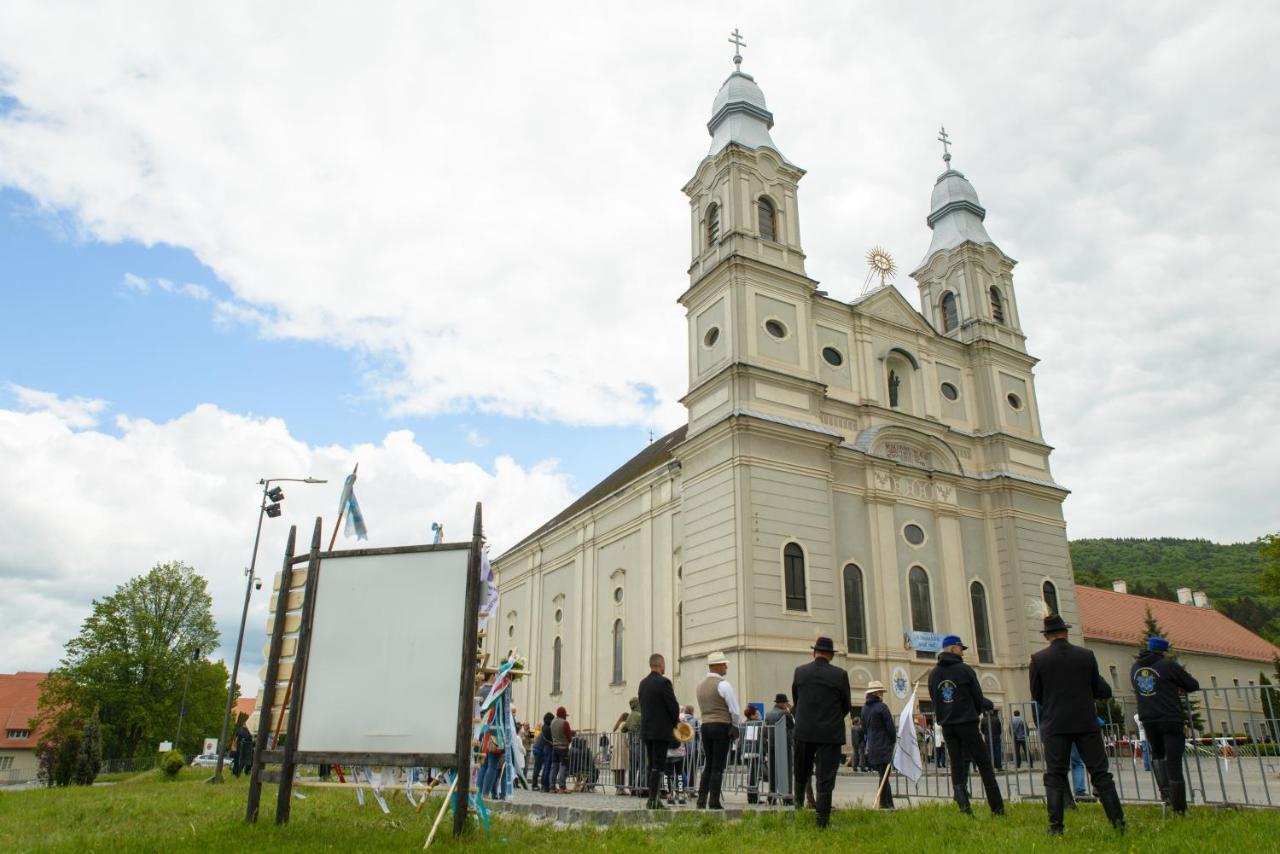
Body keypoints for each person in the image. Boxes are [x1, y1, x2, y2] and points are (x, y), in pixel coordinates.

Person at [1030, 613, 1125, 835]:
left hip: (1056, 724)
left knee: (1055, 774)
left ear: (1047, 636)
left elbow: (1037, 694)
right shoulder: (1086, 655)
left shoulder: (1039, 659)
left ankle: (1056, 827)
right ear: (1066, 632)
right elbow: (1099, 688)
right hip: (1085, 722)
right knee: (1101, 774)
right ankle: (1118, 823)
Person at [928, 634, 1005, 816]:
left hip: (948, 725)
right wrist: (974, 712)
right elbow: (977, 697)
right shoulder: (965, 670)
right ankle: (997, 808)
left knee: (956, 764)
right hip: (967, 723)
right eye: (961, 649)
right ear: (953, 648)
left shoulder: (933, 674)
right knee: (984, 764)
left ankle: (964, 808)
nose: (962, 652)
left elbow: (934, 698)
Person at [1131, 636, 1200, 814]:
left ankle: (1166, 797)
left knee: (1158, 756)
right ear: (1163, 651)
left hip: (1148, 719)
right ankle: (1179, 808)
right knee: (1174, 761)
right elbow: (1192, 685)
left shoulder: (1135, 668)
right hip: (1170, 717)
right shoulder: (1167, 665)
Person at [789, 636, 851, 828]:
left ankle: (797, 813)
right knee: (825, 778)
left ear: (814, 652)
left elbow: (797, 701)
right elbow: (846, 706)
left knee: (801, 773)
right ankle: (822, 821)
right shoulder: (839, 675)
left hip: (804, 731)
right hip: (829, 733)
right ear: (830, 655)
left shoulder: (800, 672)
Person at [695, 650, 741, 809]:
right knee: (718, 765)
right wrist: (735, 726)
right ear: (718, 666)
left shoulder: (700, 686)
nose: (725, 667)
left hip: (705, 725)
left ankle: (701, 800)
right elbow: (734, 710)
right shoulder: (723, 684)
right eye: (724, 664)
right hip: (721, 725)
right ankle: (714, 801)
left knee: (708, 764)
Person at [638, 653, 680, 810]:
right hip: (660, 731)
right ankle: (653, 800)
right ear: (660, 665)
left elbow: (642, 704)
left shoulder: (643, 683)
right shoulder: (664, 682)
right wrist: (674, 722)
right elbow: (673, 706)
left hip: (647, 731)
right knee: (658, 765)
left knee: (651, 764)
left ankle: (652, 797)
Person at [862, 680, 895, 810]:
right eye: (880, 691)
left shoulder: (864, 709)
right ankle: (884, 803)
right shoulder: (882, 707)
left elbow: (864, 728)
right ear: (876, 693)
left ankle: (887, 803)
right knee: (884, 775)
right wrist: (893, 740)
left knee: (883, 775)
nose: (882, 694)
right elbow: (890, 728)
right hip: (884, 745)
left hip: (872, 745)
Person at [764, 693, 794, 804]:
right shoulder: (785, 713)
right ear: (782, 703)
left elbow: (766, 731)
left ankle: (771, 796)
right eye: (786, 702)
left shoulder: (768, 714)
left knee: (772, 771)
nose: (787, 704)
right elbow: (791, 727)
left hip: (771, 745)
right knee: (786, 771)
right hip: (784, 745)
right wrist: (791, 711)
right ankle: (787, 797)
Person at [548, 706, 573, 794]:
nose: (566, 716)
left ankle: (552, 787)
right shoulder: (565, 723)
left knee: (554, 767)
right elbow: (569, 737)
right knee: (563, 767)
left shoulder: (552, 722)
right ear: (563, 715)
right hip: (563, 748)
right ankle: (562, 787)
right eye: (565, 715)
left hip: (554, 747)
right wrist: (570, 740)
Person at [533, 711, 554, 791]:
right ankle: (534, 785)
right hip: (538, 749)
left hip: (537, 748)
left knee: (537, 768)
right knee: (537, 768)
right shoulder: (543, 730)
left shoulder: (541, 729)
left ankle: (535, 784)